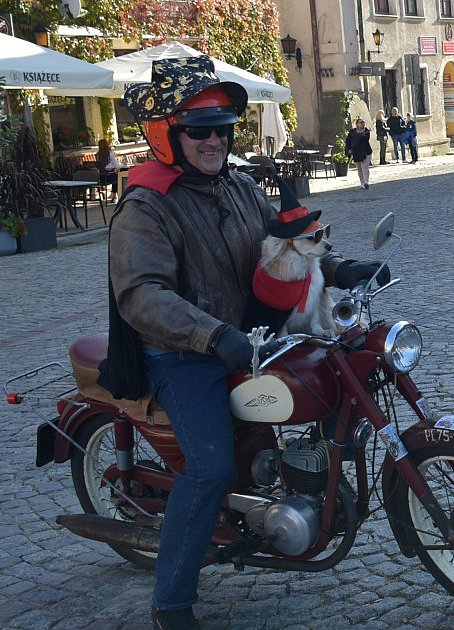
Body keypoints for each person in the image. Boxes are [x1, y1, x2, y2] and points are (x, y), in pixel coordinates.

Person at [101, 56, 389, 630]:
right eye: (199, 128)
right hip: (181, 354)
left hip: (247, 340)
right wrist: (214, 336)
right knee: (208, 469)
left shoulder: (236, 187)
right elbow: (142, 297)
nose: (214, 140)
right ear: (166, 133)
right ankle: (172, 602)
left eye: (223, 126)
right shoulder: (145, 207)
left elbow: (280, 253)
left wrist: (339, 268)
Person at [345, 117, 373, 189]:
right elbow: (348, 141)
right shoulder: (352, 132)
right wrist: (349, 149)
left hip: (366, 151)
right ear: (357, 124)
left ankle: (366, 182)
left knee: (365, 166)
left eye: (363, 122)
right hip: (356, 152)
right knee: (359, 168)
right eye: (361, 122)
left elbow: (365, 139)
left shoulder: (366, 131)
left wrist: (361, 135)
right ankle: (362, 183)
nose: (362, 124)